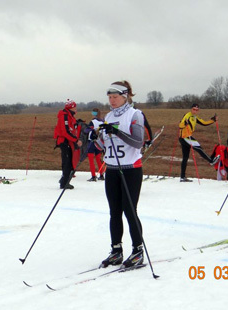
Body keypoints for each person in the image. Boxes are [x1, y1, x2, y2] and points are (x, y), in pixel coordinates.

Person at [97, 80, 145, 268]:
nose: (112, 100)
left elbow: (138, 142)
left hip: (131, 169)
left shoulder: (135, 115)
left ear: (125, 96)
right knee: (114, 211)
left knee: (130, 210)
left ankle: (138, 251)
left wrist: (116, 131)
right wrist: (96, 138)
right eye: (109, 97)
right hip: (112, 170)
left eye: (115, 97)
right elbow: (105, 145)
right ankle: (116, 250)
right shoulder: (108, 116)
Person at [178, 103, 220, 182]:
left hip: (185, 138)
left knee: (185, 157)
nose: (195, 111)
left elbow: (203, 123)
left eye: (197, 110)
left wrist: (212, 120)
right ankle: (211, 161)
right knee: (198, 147)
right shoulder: (188, 115)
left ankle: (182, 177)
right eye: (194, 109)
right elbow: (180, 125)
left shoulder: (195, 117)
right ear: (191, 109)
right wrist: (184, 123)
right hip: (185, 137)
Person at [54, 99, 82, 189]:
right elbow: (65, 131)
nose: (76, 109)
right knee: (67, 162)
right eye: (75, 108)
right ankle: (64, 182)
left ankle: (64, 180)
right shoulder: (65, 116)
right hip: (64, 141)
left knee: (69, 161)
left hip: (68, 141)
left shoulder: (69, 116)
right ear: (71, 108)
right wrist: (76, 140)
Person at [85, 108, 104, 182]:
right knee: (98, 159)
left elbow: (87, 130)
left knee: (91, 159)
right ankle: (101, 174)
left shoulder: (92, 122)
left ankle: (93, 176)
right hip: (100, 142)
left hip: (92, 142)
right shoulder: (102, 121)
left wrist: (87, 129)